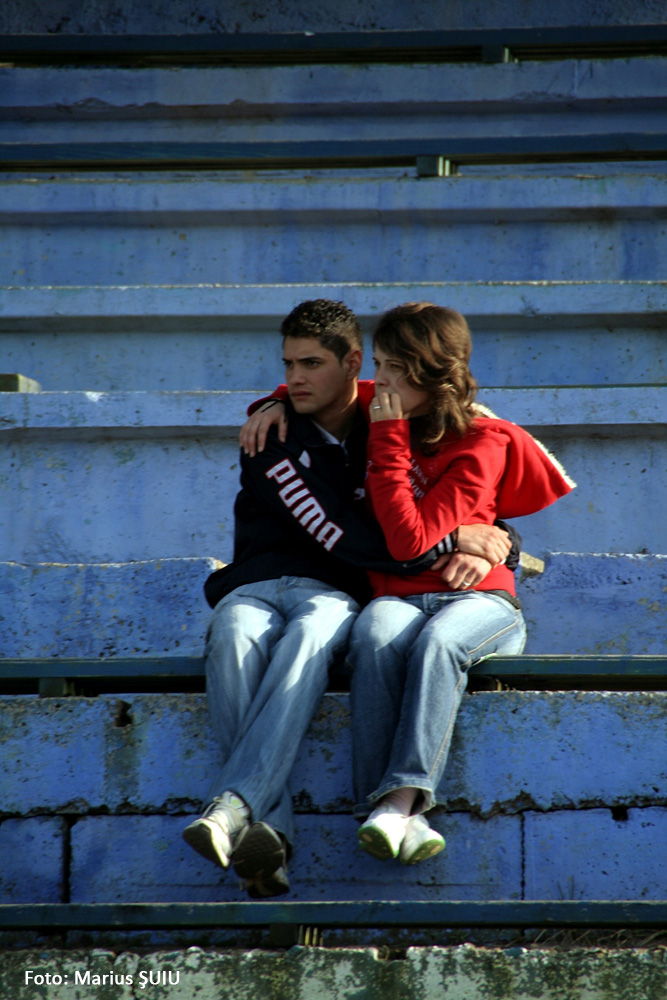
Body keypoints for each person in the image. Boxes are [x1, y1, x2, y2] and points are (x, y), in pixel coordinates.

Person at [182, 299, 514, 897]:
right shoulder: (273, 429)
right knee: (231, 638)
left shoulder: (390, 415)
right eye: (287, 365)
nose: (294, 378)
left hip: (337, 591)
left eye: (310, 363)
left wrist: (499, 542)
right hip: (258, 581)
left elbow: (469, 490)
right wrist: (272, 404)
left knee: (313, 635)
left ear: (354, 364)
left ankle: (235, 809)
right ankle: (267, 829)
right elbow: (337, 530)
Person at [346, 302, 575, 865]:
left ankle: (399, 799)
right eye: (379, 364)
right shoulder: (381, 405)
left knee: (439, 645)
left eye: (395, 368)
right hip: (400, 595)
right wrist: (268, 406)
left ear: (429, 370)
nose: (382, 383)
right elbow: (316, 384)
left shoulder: (483, 441)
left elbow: (408, 538)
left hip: (481, 602)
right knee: (373, 636)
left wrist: (388, 438)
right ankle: (402, 817)